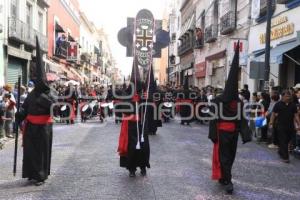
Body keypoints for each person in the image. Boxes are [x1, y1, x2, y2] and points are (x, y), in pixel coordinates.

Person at [208, 42, 252, 194]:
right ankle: (228, 180)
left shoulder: (237, 102)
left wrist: (244, 133)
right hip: (222, 133)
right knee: (225, 156)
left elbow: (241, 119)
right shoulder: (219, 101)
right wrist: (213, 134)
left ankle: (223, 176)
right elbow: (213, 118)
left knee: (230, 156)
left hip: (232, 133)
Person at [15, 37, 55, 186]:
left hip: (44, 128)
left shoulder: (50, 93)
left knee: (41, 152)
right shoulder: (31, 94)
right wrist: (20, 115)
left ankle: (41, 176)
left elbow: (54, 108)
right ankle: (31, 173)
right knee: (30, 152)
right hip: (31, 126)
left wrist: (42, 99)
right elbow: (25, 107)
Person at [118, 59, 150, 177]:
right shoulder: (126, 94)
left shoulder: (144, 94)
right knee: (131, 146)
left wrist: (144, 98)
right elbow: (122, 108)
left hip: (142, 124)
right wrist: (132, 101)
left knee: (143, 145)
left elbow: (151, 104)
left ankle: (143, 167)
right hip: (131, 125)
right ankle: (131, 168)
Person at [270, 90, 300, 163]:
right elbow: (273, 114)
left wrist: (299, 123)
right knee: (283, 141)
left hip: (290, 126)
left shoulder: (293, 105)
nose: (288, 97)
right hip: (281, 126)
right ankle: (286, 157)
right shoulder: (278, 104)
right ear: (282, 96)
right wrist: (271, 122)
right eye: (286, 96)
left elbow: (296, 115)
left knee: (288, 140)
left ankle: (281, 151)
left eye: (289, 96)